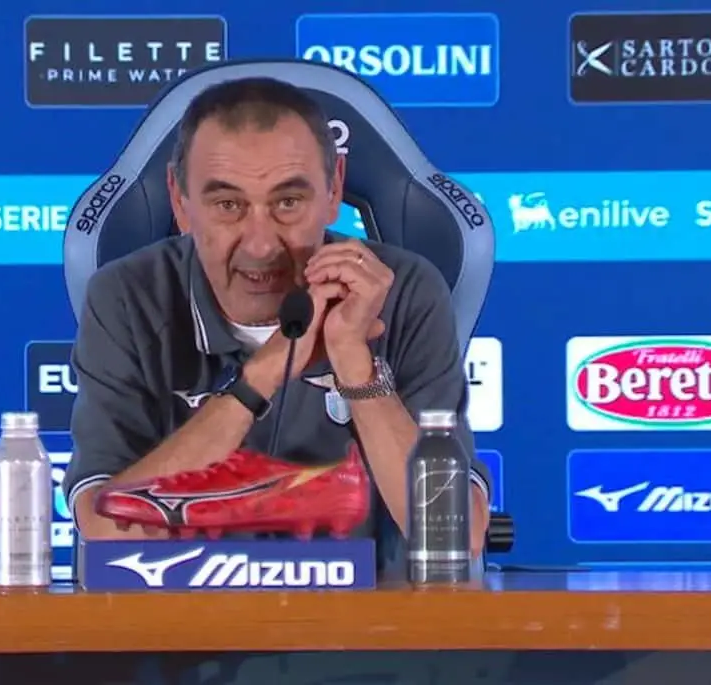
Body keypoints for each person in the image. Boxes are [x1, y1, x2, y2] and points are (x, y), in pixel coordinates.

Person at [61, 76, 492, 559]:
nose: (261, 244)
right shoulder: (127, 297)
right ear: (180, 201)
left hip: (360, 607)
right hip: (181, 605)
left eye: (288, 203)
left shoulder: (402, 290)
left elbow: (459, 536)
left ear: (334, 189)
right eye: (228, 205)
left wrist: (358, 368)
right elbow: (108, 527)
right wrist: (261, 376)